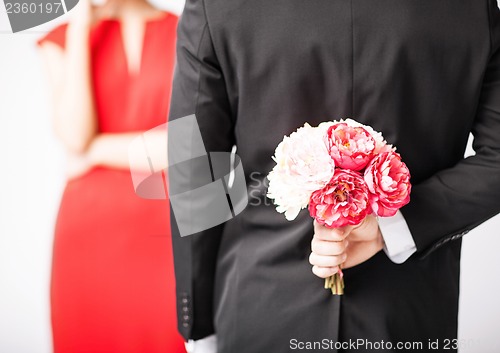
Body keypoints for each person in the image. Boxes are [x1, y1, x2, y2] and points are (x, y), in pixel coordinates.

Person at [168, 0, 500, 352]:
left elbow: (193, 170)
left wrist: (198, 326)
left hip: (260, 306)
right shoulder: (469, 7)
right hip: (410, 318)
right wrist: (396, 227)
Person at [37, 0, 185, 352]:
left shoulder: (190, 31)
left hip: (168, 227)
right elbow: (75, 134)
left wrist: (93, 152)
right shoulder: (61, 39)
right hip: (89, 234)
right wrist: (80, 27)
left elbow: (189, 144)